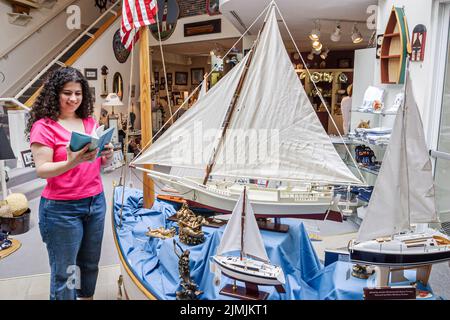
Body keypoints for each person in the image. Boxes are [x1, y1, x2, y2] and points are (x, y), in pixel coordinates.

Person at [25, 67, 114, 300]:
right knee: (66, 272)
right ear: (55, 93)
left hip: (95, 202)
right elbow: (42, 170)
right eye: (67, 93)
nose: (73, 98)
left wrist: (106, 156)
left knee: (89, 265)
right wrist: (71, 161)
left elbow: (95, 163)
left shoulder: (88, 122)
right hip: (61, 209)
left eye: (78, 93)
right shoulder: (44, 126)